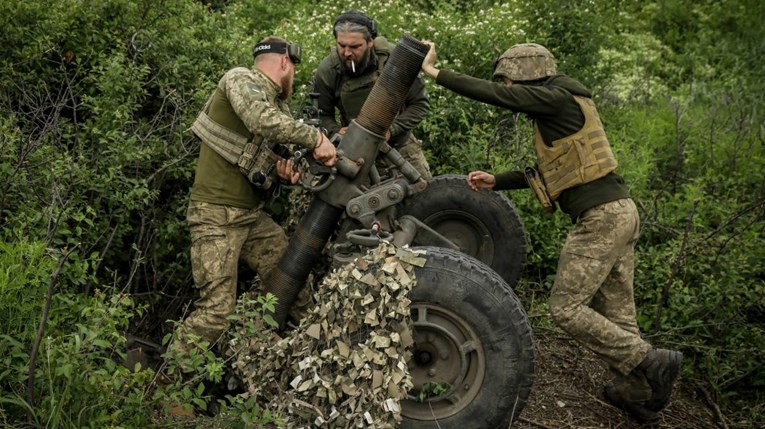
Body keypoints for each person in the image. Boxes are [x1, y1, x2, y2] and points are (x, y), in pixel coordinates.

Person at [420, 41, 682, 425]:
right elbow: (560, 170)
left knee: (566, 309)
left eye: (509, 80)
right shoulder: (564, 106)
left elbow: (494, 96)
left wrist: (434, 73)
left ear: (528, 74)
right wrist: (499, 181)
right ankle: (636, 393)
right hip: (620, 212)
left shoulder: (557, 98)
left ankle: (649, 360)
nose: (507, 87)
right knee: (617, 315)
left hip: (602, 218)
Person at [172, 36, 337, 358]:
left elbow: (270, 156)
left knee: (295, 284)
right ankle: (167, 388)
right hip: (215, 216)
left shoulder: (279, 107)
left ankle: (312, 362)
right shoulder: (240, 80)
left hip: (251, 218)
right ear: (285, 62)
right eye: (294, 70)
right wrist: (316, 137)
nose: (293, 79)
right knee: (217, 312)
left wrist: (285, 174)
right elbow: (259, 120)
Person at [312, 10, 432, 179]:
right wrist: (337, 131)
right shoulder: (329, 70)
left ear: (370, 42)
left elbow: (419, 104)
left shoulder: (395, 59)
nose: (347, 53)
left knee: (426, 199)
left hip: (401, 149)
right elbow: (321, 115)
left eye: (355, 47)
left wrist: (391, 130)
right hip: (356, 156)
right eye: (341, 45)